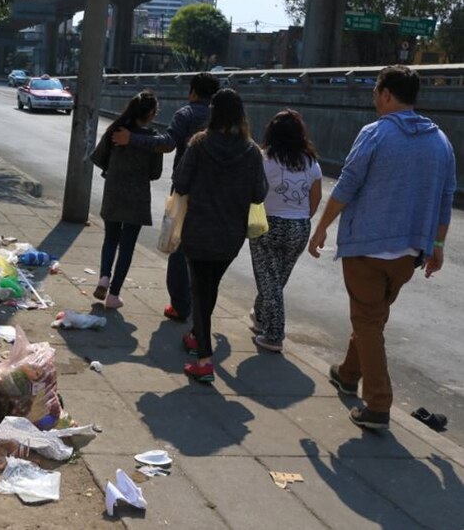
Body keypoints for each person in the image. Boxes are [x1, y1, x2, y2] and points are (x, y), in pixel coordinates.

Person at [309, 65, 456, 430]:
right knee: (373, 315)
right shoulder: (440, 141)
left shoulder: (375, 134)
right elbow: (446, 196)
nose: (375, 99)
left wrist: (321, 227)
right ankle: (347, 372)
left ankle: (378, 404)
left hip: (367, 248)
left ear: (387, 93)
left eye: (376, 92)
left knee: (368, 319)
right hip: (409, 252)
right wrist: (437, 244)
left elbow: (347, 185)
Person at [172, 89, 267, 383]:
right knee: (208, 287)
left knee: (200, 291)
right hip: (230, 235)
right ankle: (196, 335)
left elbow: (181, 182)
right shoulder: (251, 151)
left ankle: (204, 359)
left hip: (199, 229)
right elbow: (259, 193)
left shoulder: (200, 144)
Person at [113, 72, 220, 323]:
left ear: (193, 91)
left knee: (179, 245)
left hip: (186, 190)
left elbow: (168, 143)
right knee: (206, 250)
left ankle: (180, 306)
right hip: (217, 193)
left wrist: (132, 139)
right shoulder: (224, 117)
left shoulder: (187, 113)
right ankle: (200, 305)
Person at [249, 110, 323, 352]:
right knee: (277, 279)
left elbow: (252, 192)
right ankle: (260, 316)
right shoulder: (311, 162)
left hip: (268, 224)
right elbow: (316, 198)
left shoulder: (263, 158)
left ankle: (274, 334)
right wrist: (300, 217)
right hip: (299, 226)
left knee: (268, 280)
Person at [90, 91, 164, 309]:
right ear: (150, 113)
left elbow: (99, 157)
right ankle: (114, 295)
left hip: (114, 190)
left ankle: (104, 277)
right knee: (128, 246)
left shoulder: (115, 130)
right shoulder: (153, 138)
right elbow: (155, 173)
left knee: (110, 238)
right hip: (137, 195)